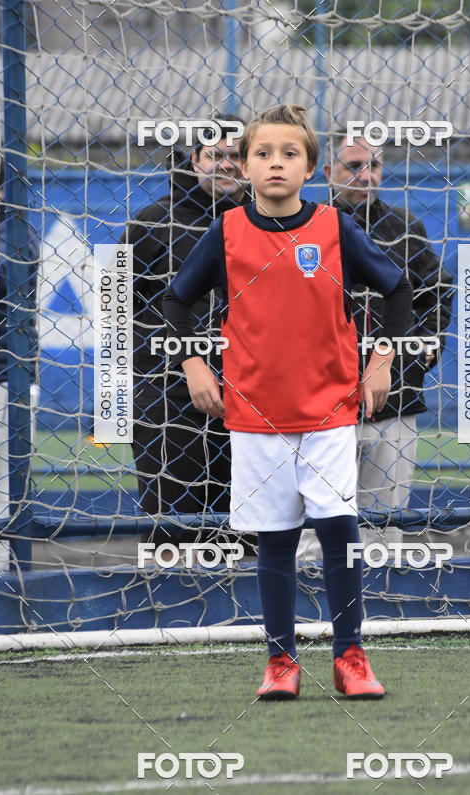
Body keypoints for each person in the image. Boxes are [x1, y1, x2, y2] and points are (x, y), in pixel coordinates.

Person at [163, 104, 413, 698]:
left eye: (290, 154)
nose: (276, 163)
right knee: (274, 541)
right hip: (253, 416)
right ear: (245, 166)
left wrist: (380, 362)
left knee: (339, 533)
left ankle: (351, 656)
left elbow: (398, 288)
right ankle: (281, 662)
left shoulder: (334, 227)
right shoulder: (226, 231)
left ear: (311, 168)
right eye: (263, 154)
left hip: (328, 409)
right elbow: (175, 301)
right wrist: (194, 362)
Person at [299, 131, 453, 558]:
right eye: (354, 166)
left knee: (385, 527)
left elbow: (438, 290)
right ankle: (311, 616)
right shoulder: (305, 225)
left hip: (395, 399)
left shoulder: (405, 227)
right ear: (329, 172)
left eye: (374, 166)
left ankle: (383, 615)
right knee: (319, 523)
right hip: (322, 401)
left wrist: (421, 352)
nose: (365, 176)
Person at [122, 116, 250, 547]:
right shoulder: (150, 223)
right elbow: (115, 311)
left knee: (247, 535)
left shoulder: (268, 222)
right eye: (215, 156)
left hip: (251, 399)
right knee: (174, 534)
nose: (226, 165)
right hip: (169, 401)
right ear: (194, 160)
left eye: (236, 156)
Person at [0, 155, 39, 570]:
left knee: (1, 492)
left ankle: (3, 579)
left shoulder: (14, 231)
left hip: (4, 377)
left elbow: (8, 281)